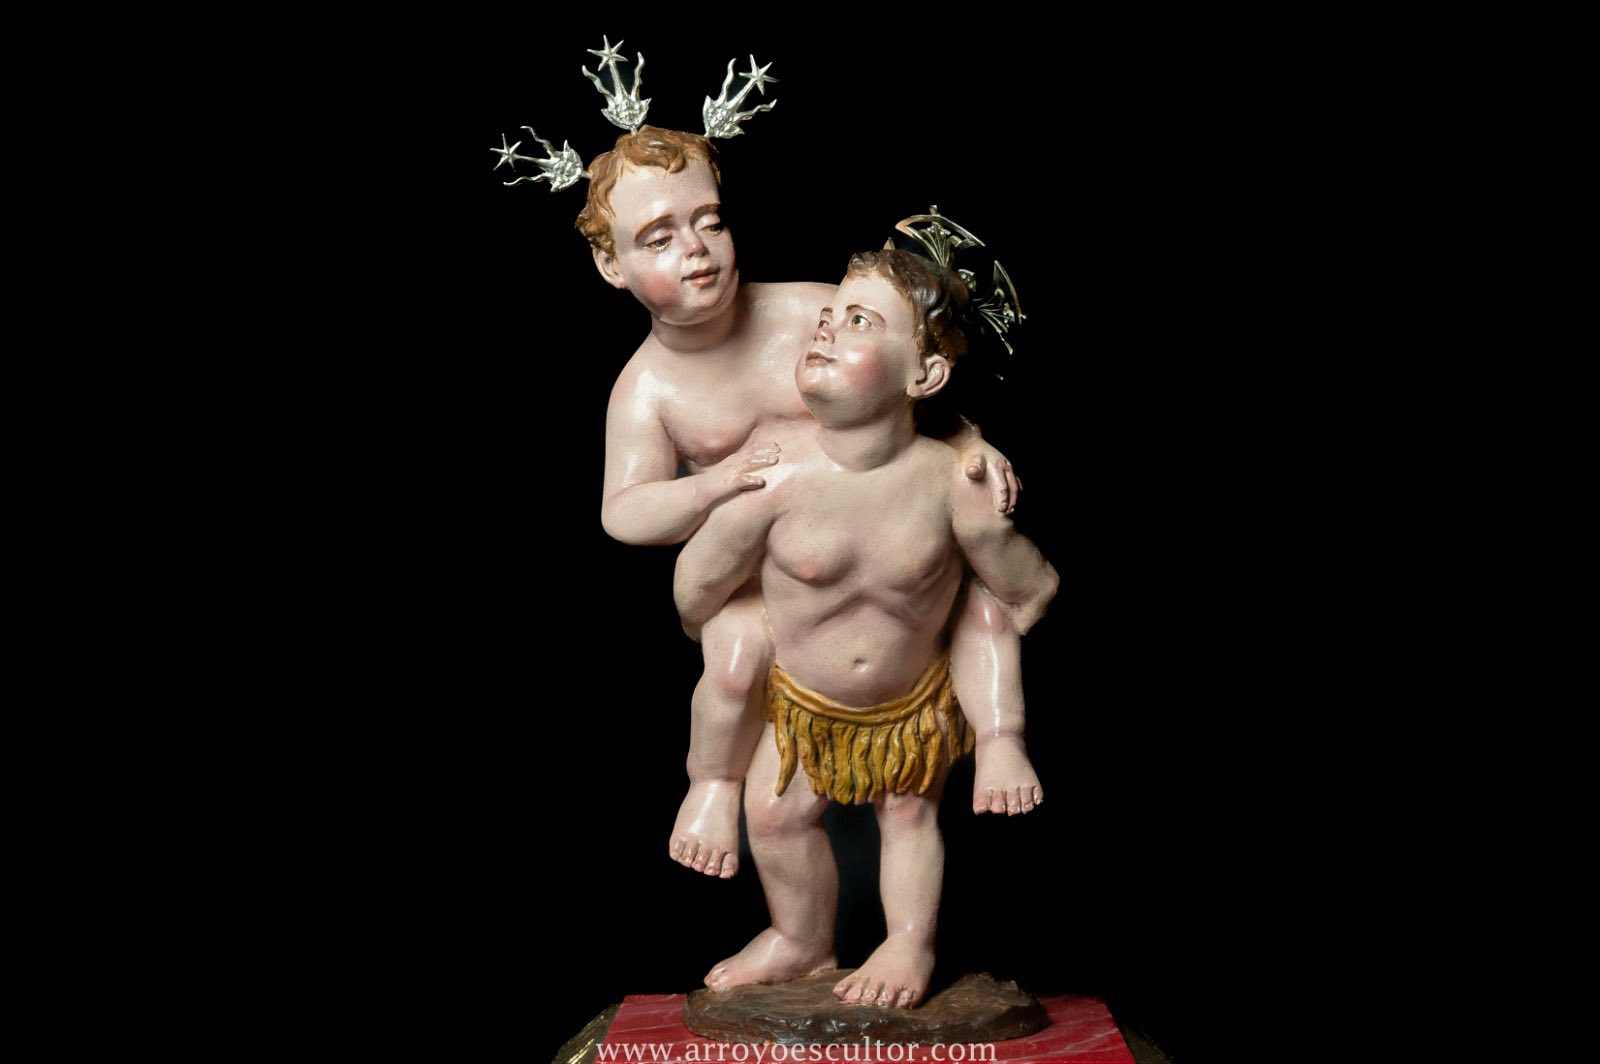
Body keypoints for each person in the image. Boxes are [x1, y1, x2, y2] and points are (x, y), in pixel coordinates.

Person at [582, 127, 1044, 883]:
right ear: (612, 264)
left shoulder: (810, 310)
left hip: (891, 548)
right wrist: (717, 482)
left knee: (963, 636)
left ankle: (995, 738)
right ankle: (711, 787)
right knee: (736, 662)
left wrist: (971, 441)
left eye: (710, 221)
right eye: (659, 239)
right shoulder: (647, 389)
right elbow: (624, 514)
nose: (696, 250)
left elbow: (913, 359)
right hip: (772, 578)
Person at [673, 249, 1058, 1007]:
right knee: (773, 817)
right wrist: (734, 629)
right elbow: (697, 586)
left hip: (912, 706)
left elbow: (1027, 594)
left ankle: (909, 941)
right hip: (802, 705)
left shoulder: (949, 481)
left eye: (859, 321)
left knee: (910, 813)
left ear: (925, 375)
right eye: (828, 315)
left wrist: (987, 534)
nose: (824, 328)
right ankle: (800, 938)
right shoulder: (774, 473)